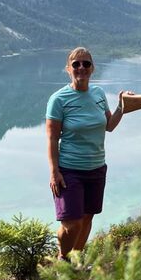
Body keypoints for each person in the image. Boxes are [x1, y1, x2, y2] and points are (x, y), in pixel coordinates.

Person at [46, 47, 129, 260]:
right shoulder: (58, 99)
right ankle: (63, 258)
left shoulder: (99, 94)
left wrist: (121, 106)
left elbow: (109, 125)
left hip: (96, 168)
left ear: (92, 69)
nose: (81, 67)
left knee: (86, 219)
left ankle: (76, 260)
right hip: (69, 170)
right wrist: (54, 172)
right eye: (76, 64)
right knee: (71, 223)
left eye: (86, 64)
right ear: (68, 69)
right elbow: (52, 138)